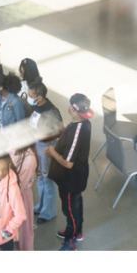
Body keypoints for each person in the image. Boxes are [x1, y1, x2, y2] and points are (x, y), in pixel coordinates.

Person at [47, 93, 94, 251]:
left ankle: (70, 243)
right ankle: (76, 232)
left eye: (69, 104)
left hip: (71, 179)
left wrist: (53, 152)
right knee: (76, 206)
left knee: (70, 211)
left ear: (73, 110)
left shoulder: (77, 132)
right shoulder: (85, 122)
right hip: (78, 177)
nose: (67, 105)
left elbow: (67, 163)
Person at [27, 78, 64, 224]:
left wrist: (43, 137)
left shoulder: (52, 111)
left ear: (39, 97)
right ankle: (41, 206)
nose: (29, 98)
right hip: (37, 145)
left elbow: (60, 131)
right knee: (40, 178)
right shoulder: (36, 106)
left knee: (48, 180)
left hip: (47, 147)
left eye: (30, 96)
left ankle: (49, 212)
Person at [10, 143, 38, 251]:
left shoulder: (29, 159)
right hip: (10, 194)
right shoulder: (12, 149)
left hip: (20, 197)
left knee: (23, 232)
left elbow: (18, 186)